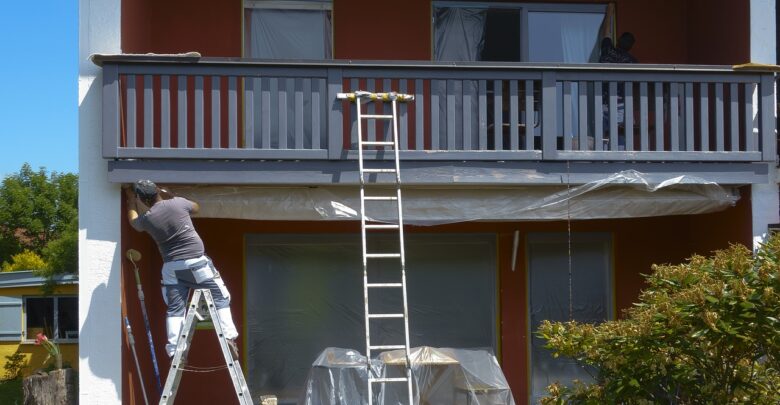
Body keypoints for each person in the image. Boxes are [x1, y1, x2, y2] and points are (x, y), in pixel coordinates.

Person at [124, 179, 239, 359]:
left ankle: (174, 350)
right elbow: (196, 207)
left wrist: (131, 201)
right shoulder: (178, 203)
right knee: (221, 298)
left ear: (143, 200)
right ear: (157, 191)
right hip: (197, 264)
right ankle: (229, 338)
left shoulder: (148, 219)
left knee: (175, 309)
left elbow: (133, 222)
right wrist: (172, 195)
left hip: (171, 268)